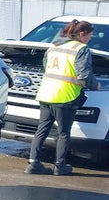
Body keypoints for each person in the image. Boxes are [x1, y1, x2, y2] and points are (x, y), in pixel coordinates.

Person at [25, 19, 99, 176]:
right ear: (82, 34)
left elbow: (46, 66)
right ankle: (59, 166)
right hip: (66, 96)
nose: (90, 39)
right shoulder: (81, 49)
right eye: (90, 36)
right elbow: (84, 74)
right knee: (63, 133)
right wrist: (95, 85)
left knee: (42, 129)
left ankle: (33, 163)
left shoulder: (54, 47)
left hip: (46, 94)